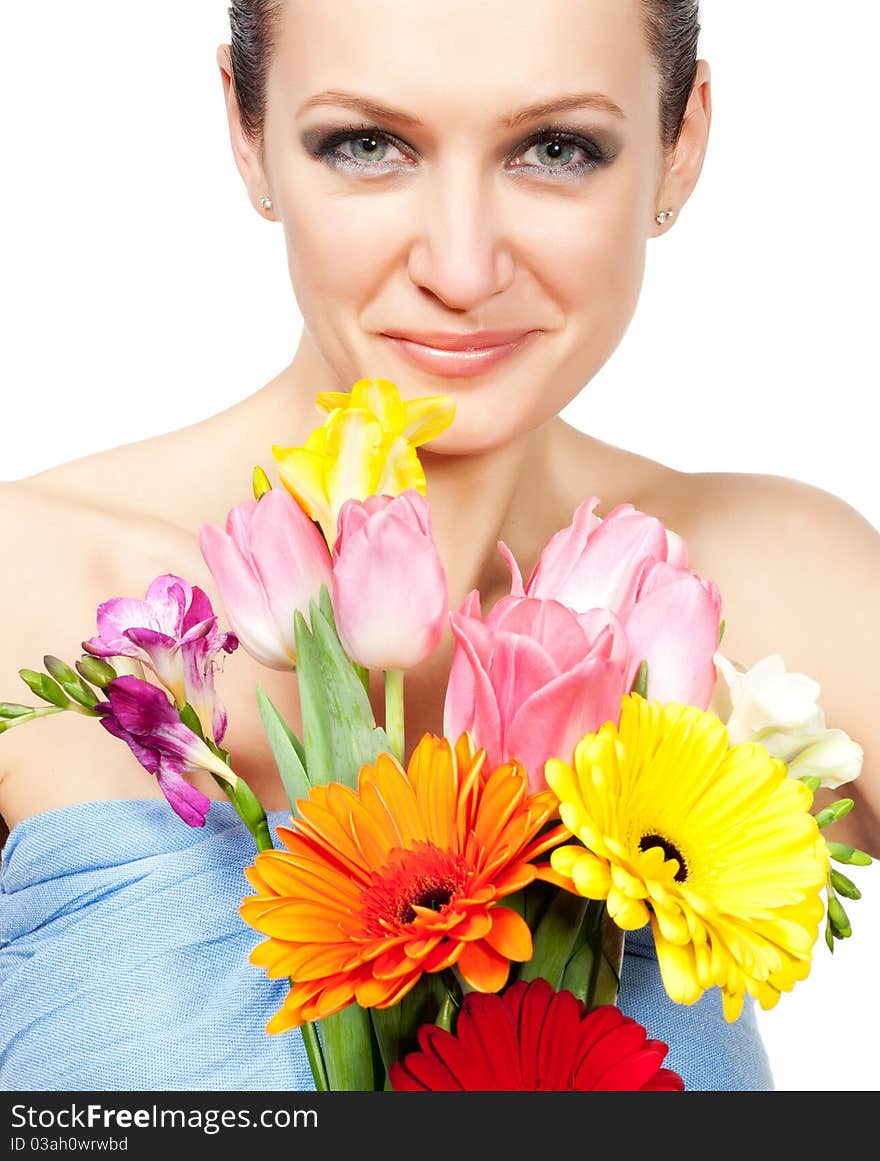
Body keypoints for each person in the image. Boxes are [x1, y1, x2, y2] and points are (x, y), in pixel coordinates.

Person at [1, 0, 877, 1093]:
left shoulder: (783, 585)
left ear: (678, 145)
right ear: (245, 127)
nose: (461, 269)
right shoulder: (24, 592)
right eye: (367, 145)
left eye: (555, 149)